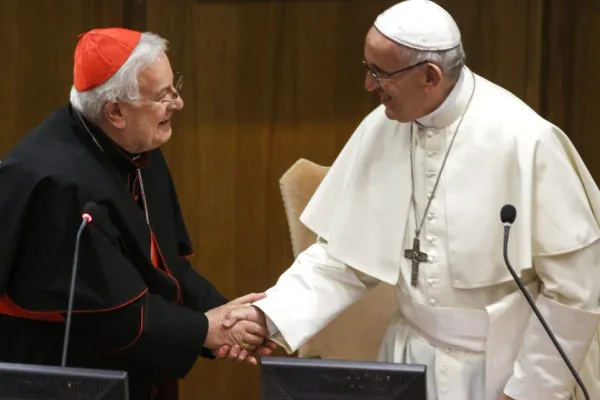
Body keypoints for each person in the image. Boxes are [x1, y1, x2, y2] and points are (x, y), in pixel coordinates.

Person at [219, 1, 600, 399]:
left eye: (379, 73)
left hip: (504, 371)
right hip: (409, 358)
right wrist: (267, 315)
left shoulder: (527, 140)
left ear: (429, 76)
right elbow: (343, 259)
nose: (368, 85)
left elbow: (574, 291)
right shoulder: (382, 127)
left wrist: (528, 391)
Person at [0, 27, 273, 400]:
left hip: (134, 365)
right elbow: (107, 313)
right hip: (71, 377)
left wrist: (226, 313)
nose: (177, 103)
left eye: (174, 87)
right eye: (163, 96)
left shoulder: (132, 144)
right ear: (115, 111)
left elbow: (167, 269)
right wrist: (206, 329)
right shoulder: (58, 184)